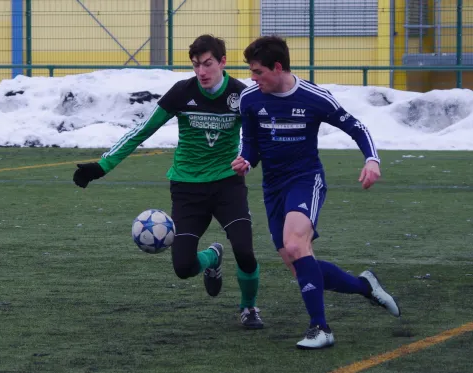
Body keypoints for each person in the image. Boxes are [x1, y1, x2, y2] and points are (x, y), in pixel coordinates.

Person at [73, 34, 264, 329]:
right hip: (187, 189)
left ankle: (249, 307)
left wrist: (249, 159)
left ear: (223, 62)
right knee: (183, 267)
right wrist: (102, 166)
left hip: (228, 185)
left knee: (245, 251)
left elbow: (258, 138)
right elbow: (141, 130)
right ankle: (212, 258)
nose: (201, 71)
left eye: (208, 64)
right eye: (196, 64)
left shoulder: (242, 96)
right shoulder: (181, 92)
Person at [231, 35, 401, 348]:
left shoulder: (314, 97)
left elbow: (357, 127)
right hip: (273, 188)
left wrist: (372, 160)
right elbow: (251, 144)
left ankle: (320, 329)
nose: (252, 79)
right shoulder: (250, 99)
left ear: (278, 67)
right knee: (298, 265)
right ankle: (365, 286)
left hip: (306, 180)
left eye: (257, 72)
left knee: (296, 245)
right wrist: (246, 161)